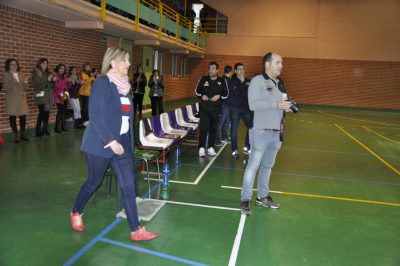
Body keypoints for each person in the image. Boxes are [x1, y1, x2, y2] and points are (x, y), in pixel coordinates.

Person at [70, 47, 158, 241]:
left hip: (123, 145)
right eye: (124, 60)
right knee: (93, 182)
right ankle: (76, 211)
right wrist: (111, 141)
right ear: (113, 62)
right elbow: (95, 115)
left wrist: (129, 142)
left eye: (128, 60)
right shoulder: (102, 83)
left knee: (129, 187)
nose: (128, 64)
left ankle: (135, 229)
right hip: (100, 144)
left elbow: (126, 118)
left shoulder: (125, 85)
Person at [240, 52, 292, 215]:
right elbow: (253, 104)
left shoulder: (279, 83)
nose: (281, 65)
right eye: (278, 62)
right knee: (253, 166)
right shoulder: (257, 81)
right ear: (267, 64)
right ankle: (245, 199)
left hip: (276, 133)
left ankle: (262, 196)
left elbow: (280, 104)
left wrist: (287, 106)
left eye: (282, 62)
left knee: (267, 166)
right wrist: (276, 104)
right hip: (260, 131)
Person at [195, 61, 228, 157]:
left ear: (217, 70)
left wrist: (219, 96)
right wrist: (202, 95)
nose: (210, 70)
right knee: (204, 128)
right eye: (209, 68)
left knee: (213, 129)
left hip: (216, 109)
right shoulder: (203, 79)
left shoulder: (222, 81)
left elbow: (226, 94)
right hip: (204, 109)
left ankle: (211, 147)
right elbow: (197, 91)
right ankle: (201, 148)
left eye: (213, 68)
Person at [228, 63, 252, 159]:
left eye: (243, 69)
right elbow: (236, 95)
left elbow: (249, 95)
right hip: (235, 109)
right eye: (239, 69)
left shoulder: (248, 81)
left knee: (252, 126)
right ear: (235, 71)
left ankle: (247, 147)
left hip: (246, 109)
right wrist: (241, 83)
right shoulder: (232, 82)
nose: (242, 71)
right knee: (234, 129)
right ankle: (234, 150)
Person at [2, 59, 29, 142]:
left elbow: (25, 88)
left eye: (15, 64)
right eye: (12, 64)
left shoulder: (21, 74)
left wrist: (25, 81)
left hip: (21, 98)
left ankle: (23, 135)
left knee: (23, 116)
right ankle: (16, 135)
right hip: (12, 99)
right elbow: (6, 87)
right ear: (8, 65)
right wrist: (14, 79)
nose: (14, 65)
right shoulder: (5, 75)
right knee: (12, 116)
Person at [32, 58, 55, 137]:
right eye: (43, 63)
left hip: (48, 96)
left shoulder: (47, 72)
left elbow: (51, 86)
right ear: (39, 64)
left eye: (46, 63)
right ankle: (38, 132)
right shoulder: (36, 72)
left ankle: (45, 130)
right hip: (41, 96)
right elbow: (38, 85)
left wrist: (53, 81)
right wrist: (48, 81)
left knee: (47, 113)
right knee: (41, 114)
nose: (45, 65)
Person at [216, 65, 232, 146]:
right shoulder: (223, 80)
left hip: (227, 104)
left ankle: (224, 137)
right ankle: (217, 140)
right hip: (223, 104)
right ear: (230, 72)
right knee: (221, 122)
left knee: (226, 121)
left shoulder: (228, 80)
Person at [52, 64, 71, 133]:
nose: (62, 70)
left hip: (64, 95)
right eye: (61, 68)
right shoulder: (56, 76)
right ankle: (57, 128)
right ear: (58, 69)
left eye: (63, 68)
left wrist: (68, 81)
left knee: (63, 111)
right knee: (60, 111)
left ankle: (63, 127)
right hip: (57, 95)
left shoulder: (64, 76)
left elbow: (67, 87)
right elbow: (56, 86)